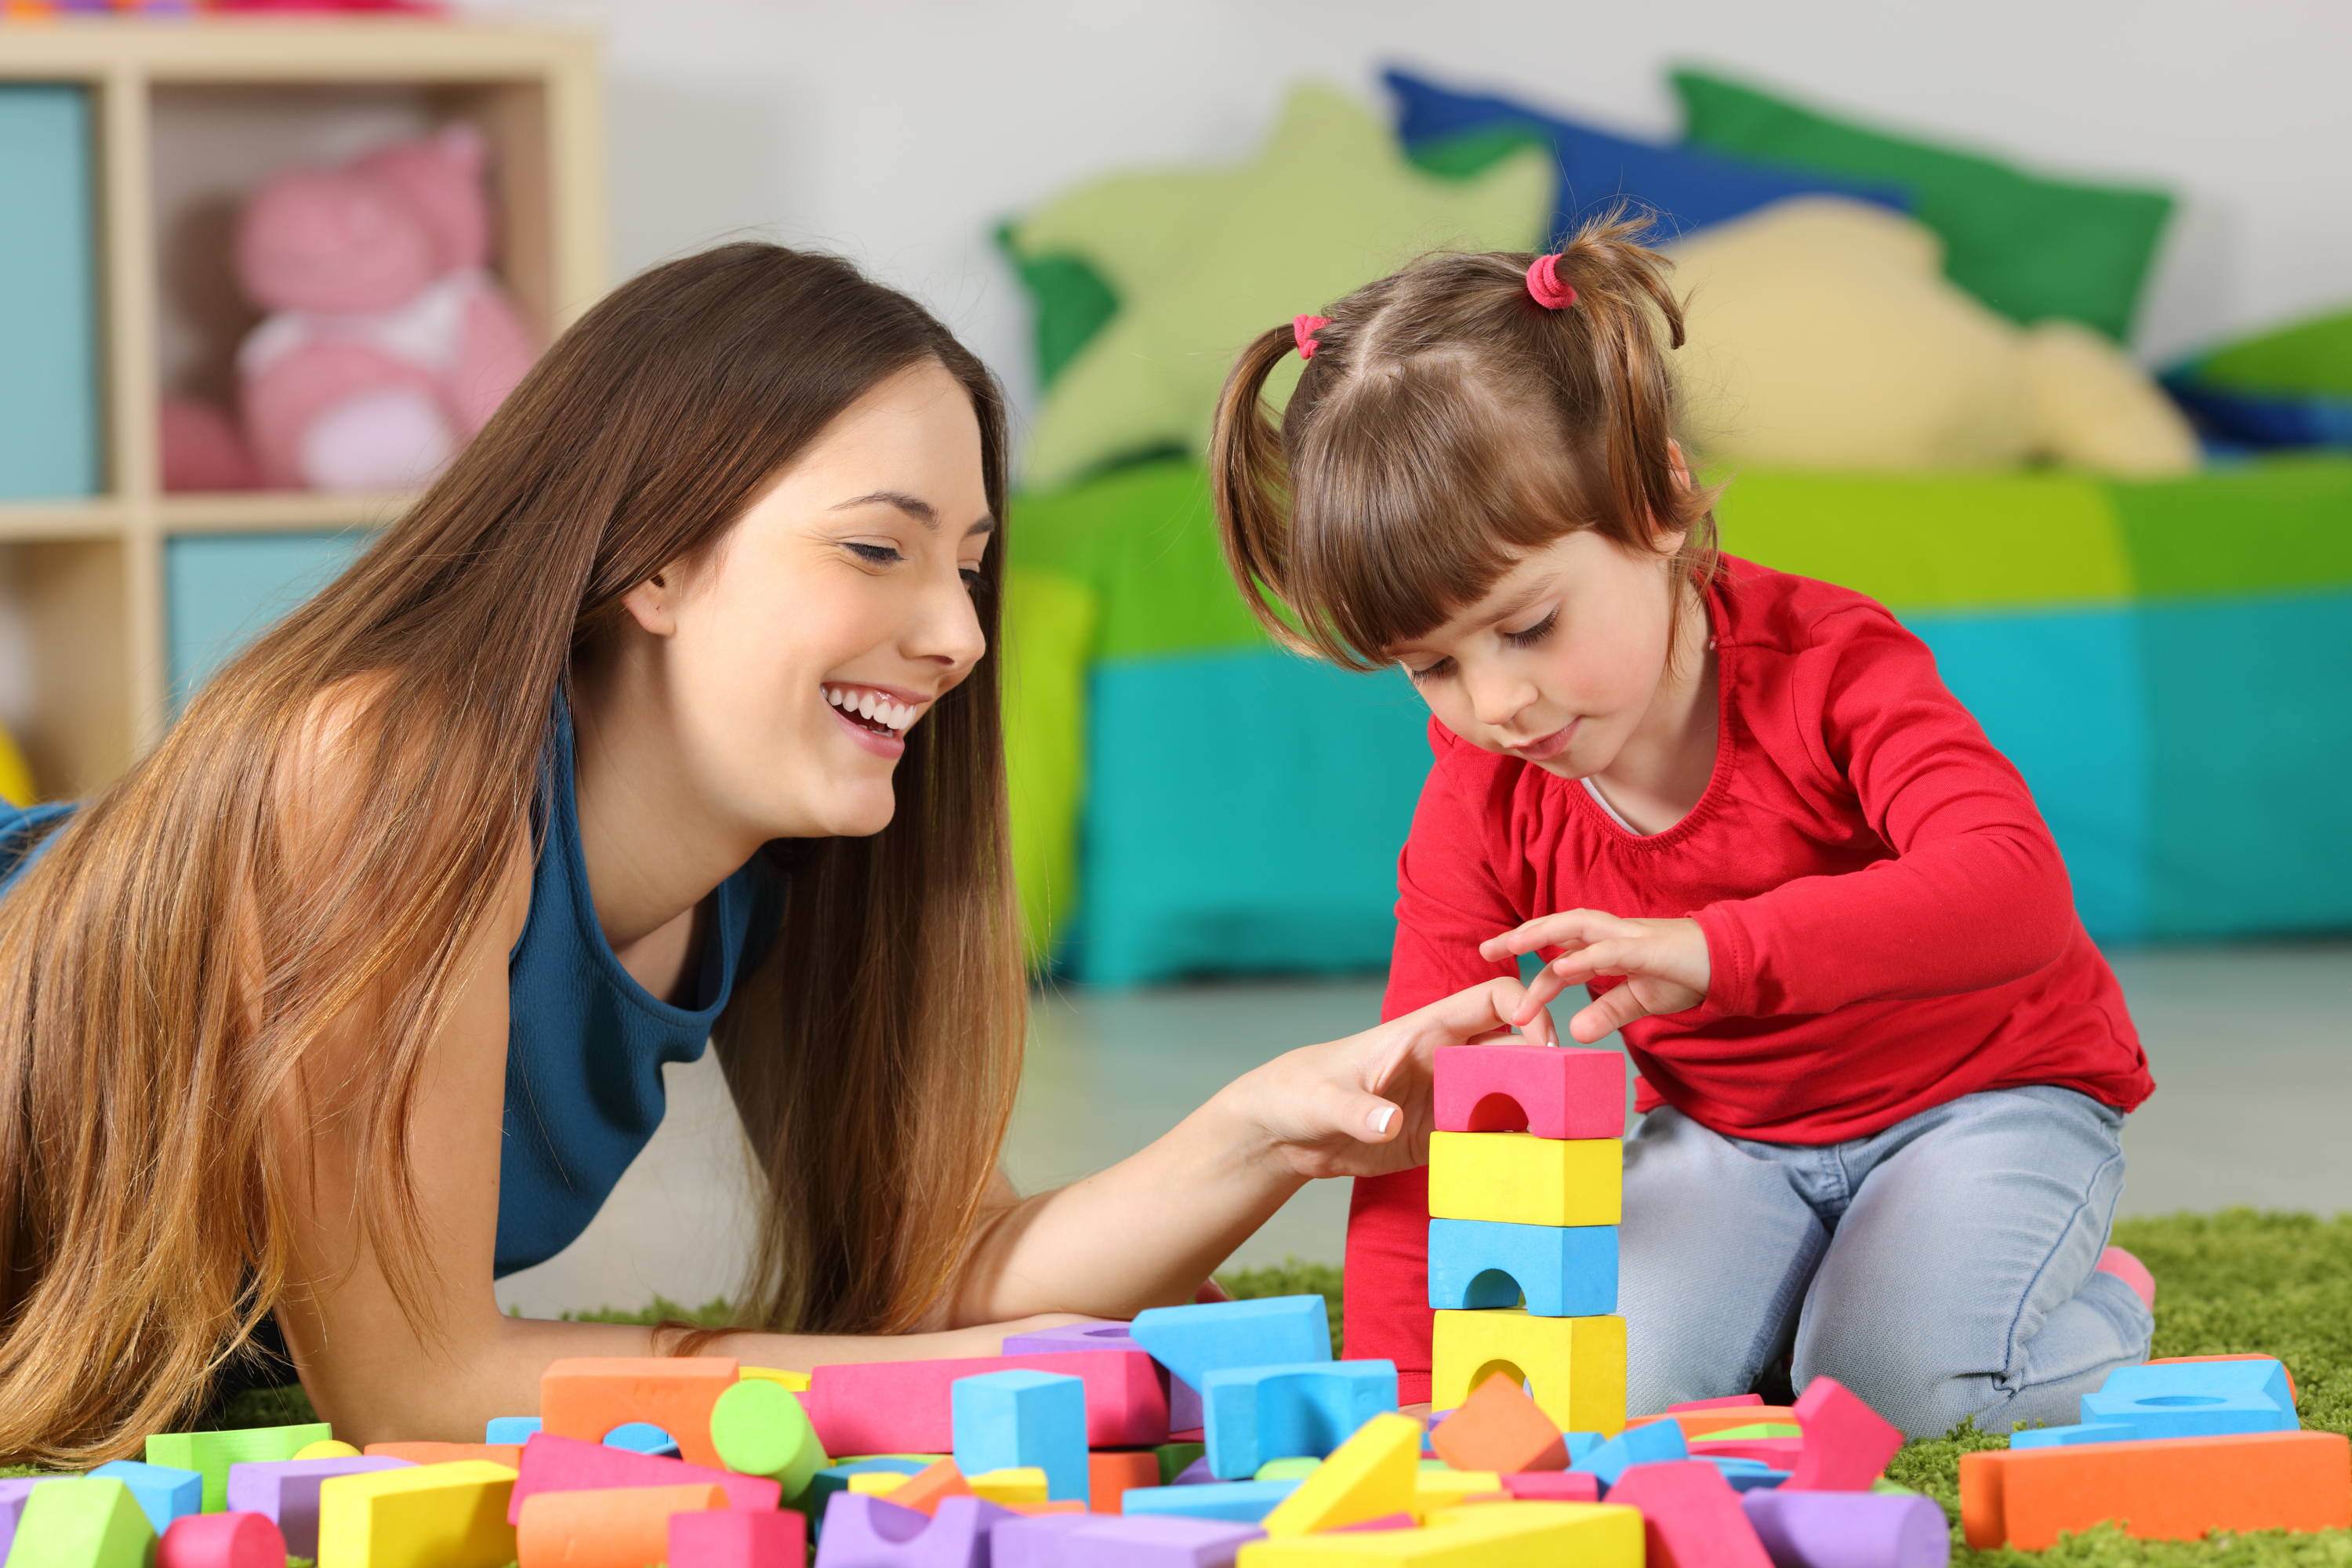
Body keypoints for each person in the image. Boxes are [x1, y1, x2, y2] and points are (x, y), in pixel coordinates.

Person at [0, 243, 1539, 1465]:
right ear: (655, 557)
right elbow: (420, 1385)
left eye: (971, 566)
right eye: (879, 546)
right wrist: (925, 1391)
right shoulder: (385, 765)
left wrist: (1270, 1128)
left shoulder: (782, 867)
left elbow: (946, 1267)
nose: (954, 635)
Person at [1206, 212, 2157, 1438]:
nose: (1494, 704)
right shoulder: (1482, 791)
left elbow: (2012, 889)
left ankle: (2096, 1310)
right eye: (1429, 667)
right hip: (1732, 1140)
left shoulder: (1832, 665)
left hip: (1989, 1098)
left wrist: (1722, 953)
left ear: (1654, 501)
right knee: (1592, 1397)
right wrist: (1407, 1399)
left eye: (1529, 627)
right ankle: (1827, 1297)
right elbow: (1418, 1107)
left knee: (1891, 1391)